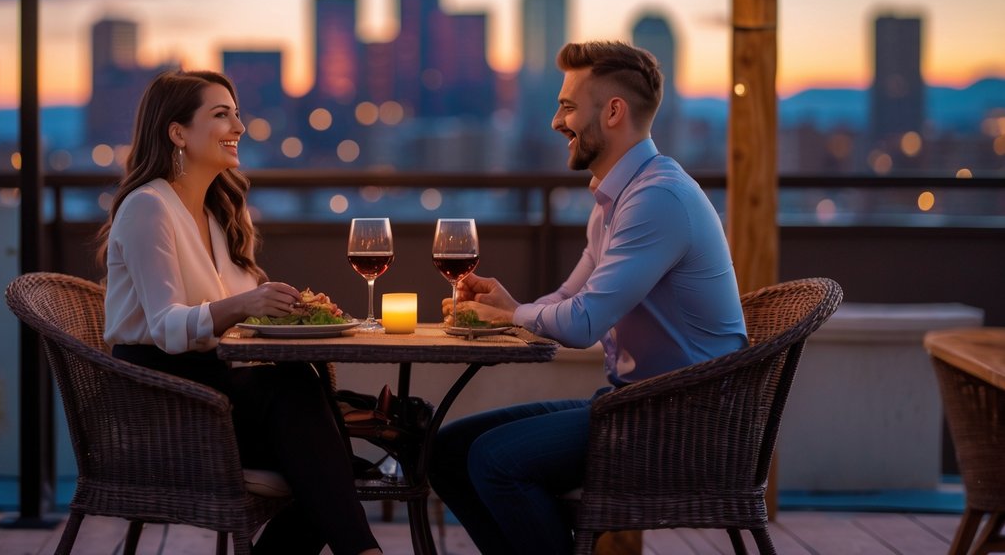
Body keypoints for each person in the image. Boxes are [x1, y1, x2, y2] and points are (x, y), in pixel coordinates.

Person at [430, 41, 748, 555]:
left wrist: (513, 314)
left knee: (494, 461)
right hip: (633, 405)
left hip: (684, 423)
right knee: (445, 451)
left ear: (614, 111)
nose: (557, 121)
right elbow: (569, 297)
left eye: (568, 106)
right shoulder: (616, 197)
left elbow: (581, 325)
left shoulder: (657, 199)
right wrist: (504, 305)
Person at [98, 69, 381, 555]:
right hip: (165, 399)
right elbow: (167, 327)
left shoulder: (217, 213)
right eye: (221, 114)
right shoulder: (148, 208)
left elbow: (245, 319)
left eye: (238, 113)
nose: (240, 127)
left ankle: (363, 551)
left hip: (218, 386)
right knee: (315, 431)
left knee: (331, 457)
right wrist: (247, 303)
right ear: (177, 132)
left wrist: (288, 310)